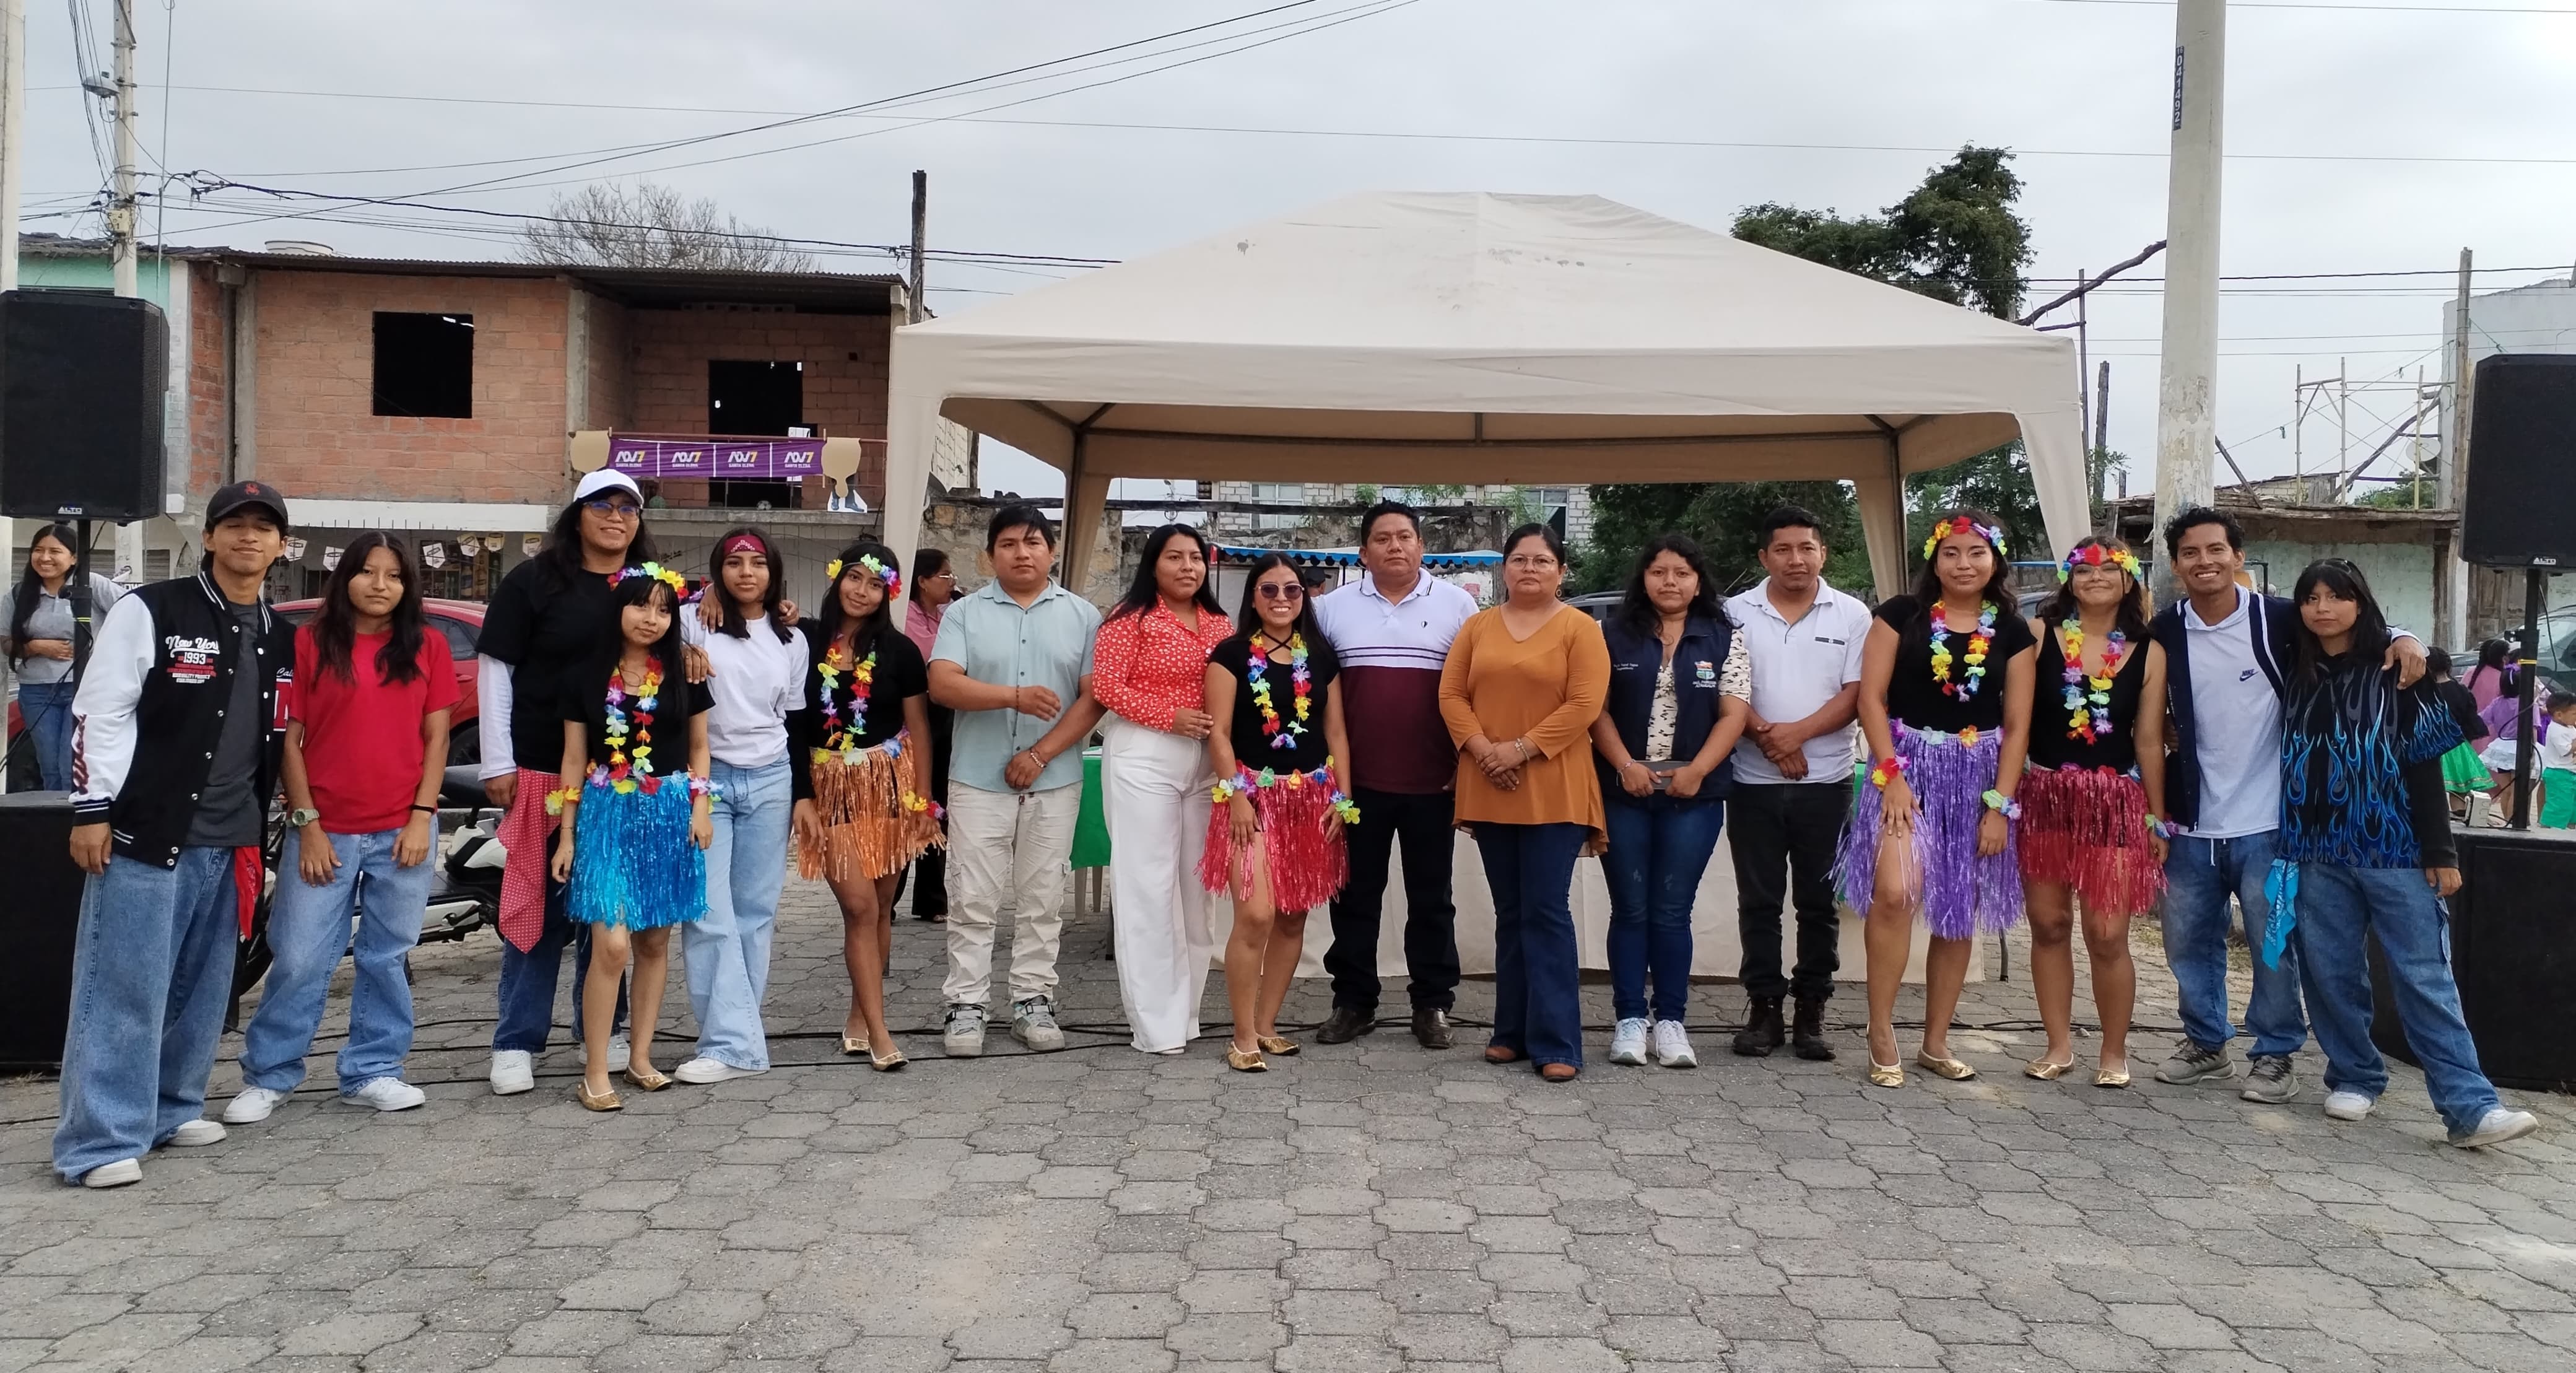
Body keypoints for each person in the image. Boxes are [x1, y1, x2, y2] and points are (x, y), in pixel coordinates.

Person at [52, 481, 294, 1188]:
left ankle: (171, 1107)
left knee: (200, 987)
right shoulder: (152, 609)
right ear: (209, 537)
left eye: (264, 527)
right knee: (123, 986)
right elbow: (100, 709)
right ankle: (98, 1140)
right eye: (235, 524)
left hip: (233, 836)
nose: (249, 537)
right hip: (146, 831)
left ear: (281, 546)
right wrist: (92, 808)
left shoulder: (282, 634)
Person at [2149, 507, 2424, 1103]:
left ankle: (2275, 1052)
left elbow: (2349, 626)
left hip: (2270, 820)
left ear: (2238, 556)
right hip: (2190, 818)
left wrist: (2406, 636)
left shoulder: (2277, 618)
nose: (2204, 561)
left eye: (2216, 550)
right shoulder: (2165, 628)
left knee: (2272, 944)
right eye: (2191, 553)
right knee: (2185, 941)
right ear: (2176, 564)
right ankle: (2205, 1042)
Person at [2268, 560, 2539, 1149]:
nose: (2322, 608)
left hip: (2393, 848)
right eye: (2311, 598)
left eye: (2336, 596)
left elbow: (2422, 764)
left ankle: (2470, 1107)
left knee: (2424, 976)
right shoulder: (2293, 668)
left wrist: (2441, 850)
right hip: (2314, 851)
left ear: (2360, 603)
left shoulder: (2396, 672)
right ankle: (2354, 1074)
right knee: (2330, 971)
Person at [225, 533, 456, 1125]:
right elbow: (290, 739)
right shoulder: (309, 643)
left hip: (403, 830)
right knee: (300, 955)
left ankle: (373, 1069)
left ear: (408, 585)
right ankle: (270, 1073)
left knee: (386, 955)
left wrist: (422, 817)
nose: (380, 585)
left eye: (394, 575)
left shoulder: (427, 645)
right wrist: (308, 822)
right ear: (344, 577)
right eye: (368, 572)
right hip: (323, 830)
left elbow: (437, 738)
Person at [476, 469, 666, 1096]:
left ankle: (603, 1032)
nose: (616, 518)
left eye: (628, 509)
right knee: (540, 907)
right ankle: (516, 1039)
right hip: (541, 767)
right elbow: (496, 667)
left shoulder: (645, 585)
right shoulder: (534, 580)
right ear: (577, 513)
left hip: (621, 781)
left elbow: (676, 642)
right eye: (602, 506)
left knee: (608, 912)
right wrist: (497, 761)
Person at [1837, 510, 2037, 1089]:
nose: (1964, 564)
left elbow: (2017, 725)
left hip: (1977, 778)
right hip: (1904, 768)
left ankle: (1936, 1041)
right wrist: (1891, 774)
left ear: (1995, 560)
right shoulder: (1901, 615)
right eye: (1952, 552)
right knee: (1895, 892)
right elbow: (1870, 700)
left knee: (1956, 909)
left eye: (1976, 553)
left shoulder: (2014, 631)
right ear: (1934, 558)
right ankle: (1880, 1030)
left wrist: (1999, 805)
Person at [927, 504, 1105, 1057]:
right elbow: (943, 684)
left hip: (1054, 778)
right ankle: (966, 1005)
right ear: (989, 556)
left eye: (1033, 543)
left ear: (1052, 551)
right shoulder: (964, 614)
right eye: (1008, 544)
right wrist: (1014, 697)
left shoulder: (1082, 615)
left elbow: (1093, 698)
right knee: (971, 896)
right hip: (977, 778)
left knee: (1042, 896)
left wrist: (1041, 753)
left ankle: (1033, 1000)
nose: (1021, 553)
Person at [1439, 523, 1611, 1083]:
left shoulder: (1580, 629)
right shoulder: (1478, 626)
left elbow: (1585, 704)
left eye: (1541, 560)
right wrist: (1484, 750)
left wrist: (1519, 750)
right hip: (1489, 781)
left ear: (1562, 571)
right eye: (1519, 559)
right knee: (1510, 912)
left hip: (1554, 784)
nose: (1529, 569)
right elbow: (1451, 695)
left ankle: (1558, 1040)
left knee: (1545, 911)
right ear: (1504, 568)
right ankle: (1509, 1032)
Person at [1312, 501, 1479, 1049]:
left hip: (1434, 781)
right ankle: (1353, 1002)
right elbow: (1315, 695)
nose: (1395, 546)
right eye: (1382, 538)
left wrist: (1467, 761)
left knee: (1432, 898)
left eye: (1405, 536)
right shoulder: (1330, 609)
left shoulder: (1458, 606)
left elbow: (1475, 691)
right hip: (1356, 784)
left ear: (1422, 546)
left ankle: (1432, 1003)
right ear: (1363, 552)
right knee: (1355, 896)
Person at [549, 564, 715, 1110]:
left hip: (670, 813)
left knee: (653, 943)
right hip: (606, 815)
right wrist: (567, 835)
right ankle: (596, 1069)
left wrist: (700, 808)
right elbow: (574, 757)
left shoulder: (686, 674)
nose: (652, 618)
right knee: (612, 943)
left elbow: (699, 748)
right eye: (641, 605)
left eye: (664, 609)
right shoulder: (584, 674)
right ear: (618, 608)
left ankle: (641, 1056)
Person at [1588, 534, 1750, 1070]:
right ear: (1644, 578)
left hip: (1694, 795)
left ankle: (1673, 1020)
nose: (1670, 582)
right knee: (1630, 908)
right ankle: (1630, 1019)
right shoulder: (1610, 634)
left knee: (1673, 910)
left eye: (1682, 573)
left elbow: (1734, 713)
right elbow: (1595, 709)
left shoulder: (1724, 637)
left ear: (1698, 582)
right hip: (1624, 790)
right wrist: (1624, 766)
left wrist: (1698, 770)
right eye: (1659, 572)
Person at [2017, 538, 2168, 1089]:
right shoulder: (2039, 635)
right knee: (2049, 924)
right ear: (2069, 580)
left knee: (2107, 933)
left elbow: (2148, 740)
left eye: (2108, 569)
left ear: (2129, 580)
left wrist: (2157, 817)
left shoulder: (2150, 650)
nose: (2096, 577)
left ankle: (2114, 1051)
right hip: (2045, 794)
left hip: (2114, 801)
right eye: (2083, 570)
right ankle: (2058, 1046)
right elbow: (2016, 721)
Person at [1200, 553, 1358, 1072]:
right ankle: (1242, 1033)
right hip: (1251, 799)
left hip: (1312, 799)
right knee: (1256, 914)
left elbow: (1337, 733)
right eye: (1269, 589)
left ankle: (1267, 1025)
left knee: (1292, 917)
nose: (1282, 598)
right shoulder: (1230, 655)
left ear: (1303, 596)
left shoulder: (1321, 656)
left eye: (1292, 589)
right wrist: (1236, 795)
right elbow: (1219, 734)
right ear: (1253, 596)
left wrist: (1343, 799)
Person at [1722, 508, 1869, 1061]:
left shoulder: (1852, 614)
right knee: (1758, 902)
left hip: (1826, 782)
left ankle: (1812, 1008)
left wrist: (1796, 736)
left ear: (1823, 553)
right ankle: (1764, 1008)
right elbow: (1726, 690)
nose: (1796, 559)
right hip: (1751, 781)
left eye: (1807, 548)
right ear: (1764, 557)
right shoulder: (1735, 612)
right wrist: (1768, 739)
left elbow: (1857, 693)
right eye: (1783, 549)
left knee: (1818, 903)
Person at [791, 541, 941, 1071]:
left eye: (875, 584)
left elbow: (919, 729)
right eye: (854, 578)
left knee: (880, 906)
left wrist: (923, 801)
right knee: (857, 906)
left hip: (888, 782)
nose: (862, 591)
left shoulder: (900, 651)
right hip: (829, 785)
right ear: (837, 578)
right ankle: (880, 1032)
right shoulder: (803, 638)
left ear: (889, 593)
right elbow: (792, 724)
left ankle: (861, 1014)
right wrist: (802, 794)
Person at [1092, 524, 1234, 1055]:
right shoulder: (1129, 619)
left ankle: (1187, 1015)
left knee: (1198, 892)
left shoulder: (1220, 622)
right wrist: (1167, 716)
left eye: (1195, 557)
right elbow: (1106, 686)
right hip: (1145, 753)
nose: (1187, 567)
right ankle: (1155, 1026)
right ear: (1153, 564)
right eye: (1174, 557)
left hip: (1206, 763)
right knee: (1148, 888)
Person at [671, 529, 804, 1085]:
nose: (746, 572)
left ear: (773, 572)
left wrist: (803, 796)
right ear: (717, 571)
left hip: (771, 777)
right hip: (709, 779)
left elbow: (792, 718)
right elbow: (641, 617)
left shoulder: (792, 638)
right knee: (707, 913)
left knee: (754, 914)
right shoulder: (691, 620)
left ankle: (735, 1038)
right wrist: (694, 612)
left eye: (757, 563)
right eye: (734, 563)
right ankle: (733, 1043)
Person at [2, 524, 123, 791]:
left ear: (74, 558)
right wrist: (35, 647)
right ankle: (54, 818)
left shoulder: (92, 584)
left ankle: (77, 816)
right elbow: (5, 642)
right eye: (38, 550)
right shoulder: (20, 593)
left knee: (72, 767)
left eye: (55, 551)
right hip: (36, 692)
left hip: (84, 690)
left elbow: (134, 612)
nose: (45, 558)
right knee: (49, 768)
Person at [900, 547, 961, 921]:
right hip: (907, 720)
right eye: (945, 576)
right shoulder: (903, 616)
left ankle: (931, 899)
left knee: (938, 803)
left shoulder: (949, 615)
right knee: (908, 802)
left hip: (943, 716)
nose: (952, 582)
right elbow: (929, 660)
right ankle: (888, 897)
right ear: (922, 581)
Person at [2538, 691, 2576, 828]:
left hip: (2570, 772)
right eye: (2574, 714)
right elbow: (2565, 750)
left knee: (2571, 805)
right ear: (2559, 715)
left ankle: (2570, 827)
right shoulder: (2555, 730)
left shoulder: (2570, 727)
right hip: (2559, 773)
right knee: (2559, 805)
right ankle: (2549, 829)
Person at [2464, 638, 2516, 715]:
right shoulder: (2503, 678)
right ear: (2503, 658)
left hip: (2469, 721)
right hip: (2492, 722)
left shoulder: (2470, 673)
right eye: (2509, 655)